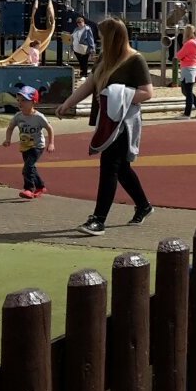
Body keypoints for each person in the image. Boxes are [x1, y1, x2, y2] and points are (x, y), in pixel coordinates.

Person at [56, 17, 155, 235]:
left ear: (113, 38)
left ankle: (98, 219)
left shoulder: (135, 60)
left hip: (122, 122)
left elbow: (147, 92)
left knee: (109, 167)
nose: (99, 41)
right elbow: (91, 83)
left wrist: (119, 95)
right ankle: (144, 206)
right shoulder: (105, 58)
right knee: (121, 169)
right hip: (106, 120)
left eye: (102, 37)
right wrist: (68, 104)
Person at [3, 85, 54, 199]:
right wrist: (8, 139)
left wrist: (51, 143)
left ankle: (28, 189)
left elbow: (49, 128)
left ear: (33, 102)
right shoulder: (18, 116)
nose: (20, 103)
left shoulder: (39, 117)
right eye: (19, 100)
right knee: (31, 167)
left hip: (37, 146)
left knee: (27, 168)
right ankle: (41, 187)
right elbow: (10, 127)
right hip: (25, 146)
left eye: (24, 100)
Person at [175, 23, 196, 118]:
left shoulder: (189, 44)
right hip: (192, 66)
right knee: (186, 90)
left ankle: (187, 113)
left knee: (187, 91)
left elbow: (179, 55)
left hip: (187, 67)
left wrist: (182, 57)